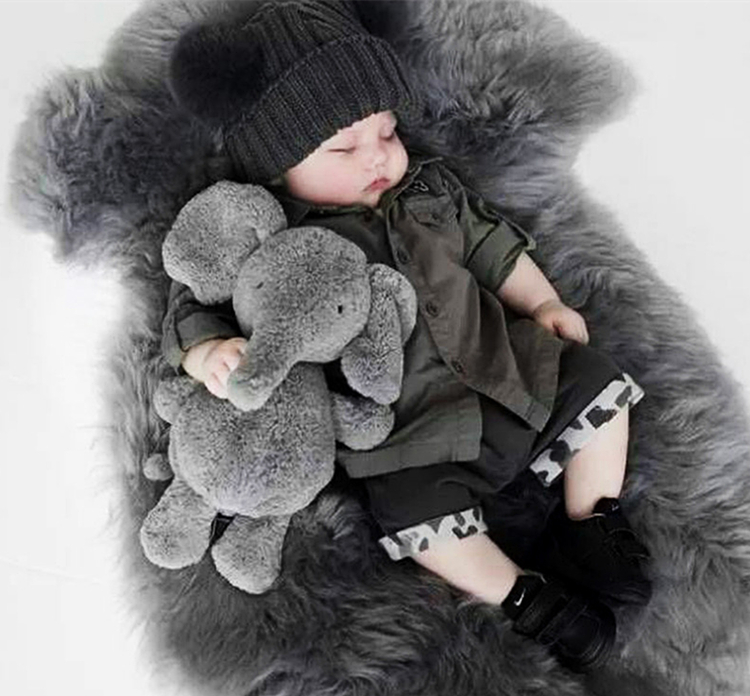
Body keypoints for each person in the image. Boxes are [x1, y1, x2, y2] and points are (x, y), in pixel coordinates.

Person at [162, 0, 651, 672]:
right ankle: (525, 597)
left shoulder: (429, 189)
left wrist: (543, 302)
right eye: (344, 147)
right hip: (403, 438)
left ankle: (590, 522)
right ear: (277, 164)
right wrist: (206, 352)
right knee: (418, 522)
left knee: (600, 385)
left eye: (387, 131)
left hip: (504, 370)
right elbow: (195, 299)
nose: (378, 156)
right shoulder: (269, 232)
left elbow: (493, 248)